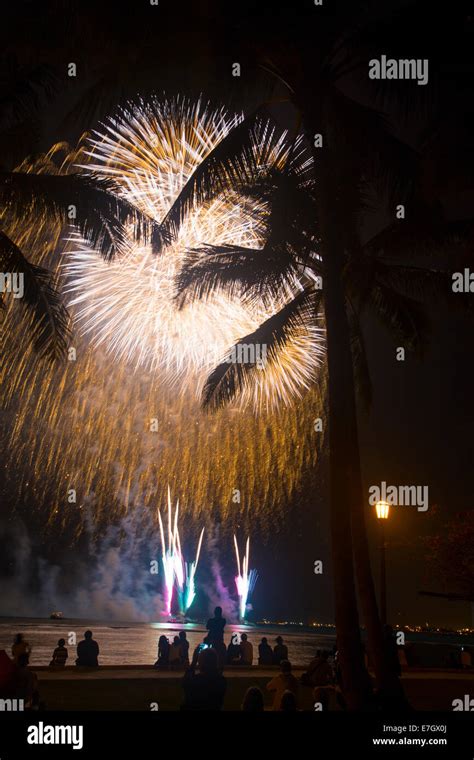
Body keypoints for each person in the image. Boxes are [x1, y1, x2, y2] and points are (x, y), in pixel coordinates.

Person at [181, 646, 227, 710]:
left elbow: (186, 686)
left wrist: (193, 664)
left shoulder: (196, 681)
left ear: (201, 663)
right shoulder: (222, 681)